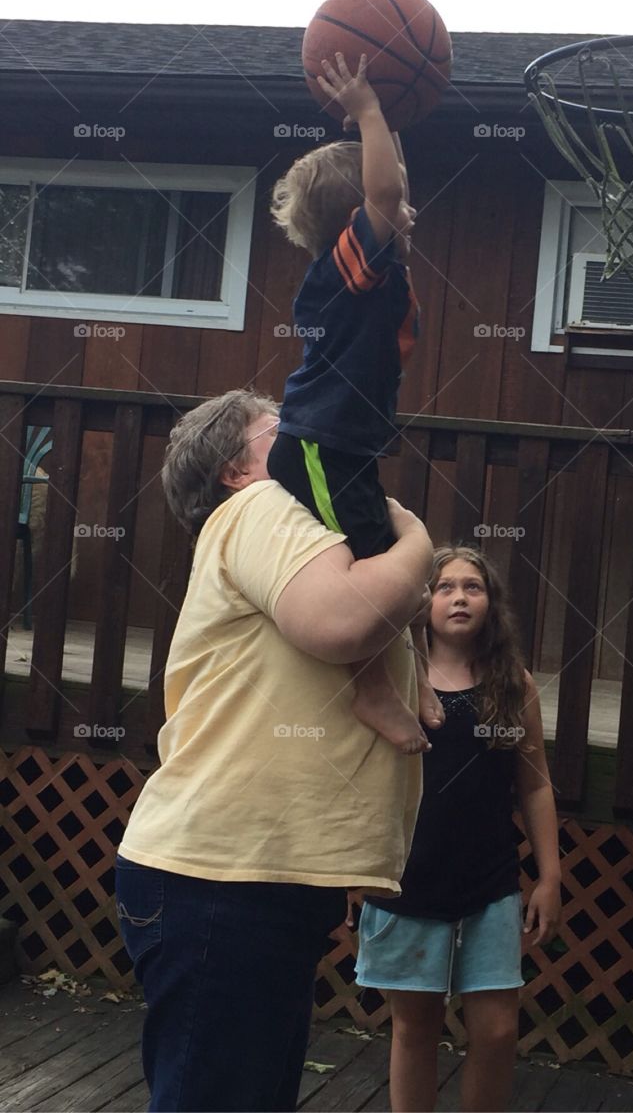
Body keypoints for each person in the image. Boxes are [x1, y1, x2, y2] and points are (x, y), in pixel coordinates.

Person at [115, 388, 433, 1113]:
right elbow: (348, 620)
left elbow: (369, 613)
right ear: (236, 469)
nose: (308, 442)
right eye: (282, 432)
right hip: (222, 883)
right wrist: (416, 535)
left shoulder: (287, 532)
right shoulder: (261, 509)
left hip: (249, 881)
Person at [268, 51, 440, 756]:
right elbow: (381, 195)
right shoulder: (348, 271)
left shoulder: (374, 267)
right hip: (319, 443)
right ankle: (371, 689)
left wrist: (388, 117)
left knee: (400, 561)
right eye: (396, 201)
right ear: (356, 218)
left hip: (345, 446)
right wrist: (369, 111)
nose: (408, 206)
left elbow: (387, 187)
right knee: (373, 565)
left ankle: (415, 674)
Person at [353, 546, 562, 1113]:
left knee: (496, 1031)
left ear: (491, 605)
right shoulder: (393, 678)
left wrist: (549, 876)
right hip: (408, 879)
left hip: (489, 882)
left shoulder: (513, 684)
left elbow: (535, 784)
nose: (460, 597)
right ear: (422, 603)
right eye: (444, 587)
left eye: (473, 586)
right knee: (414, 1027)